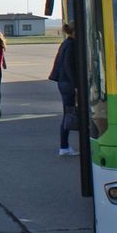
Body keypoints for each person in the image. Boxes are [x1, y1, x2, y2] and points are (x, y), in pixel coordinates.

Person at [49, 24, 79, 155]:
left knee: (68, 113)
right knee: (69, 114)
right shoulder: (71, 45)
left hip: (63, 82)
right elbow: (68, 67)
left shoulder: (65, 43)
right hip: (68, 83)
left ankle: (64, 146)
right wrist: (76, 85)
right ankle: (64, 146)